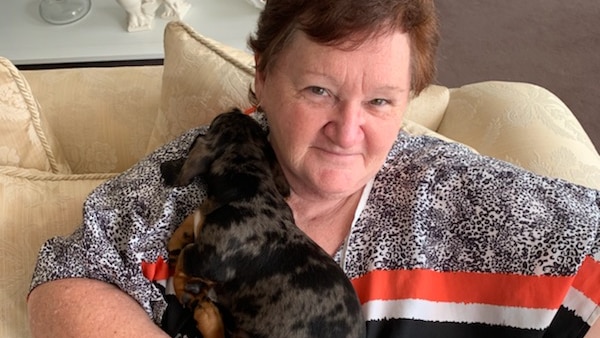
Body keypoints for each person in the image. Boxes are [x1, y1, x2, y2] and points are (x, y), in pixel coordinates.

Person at [27, 0, 600, 337]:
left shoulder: (464, 201)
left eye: (380, 102)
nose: (348, 133)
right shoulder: (202, 171)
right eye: (319, 91)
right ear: (262, 75)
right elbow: (64, 278)